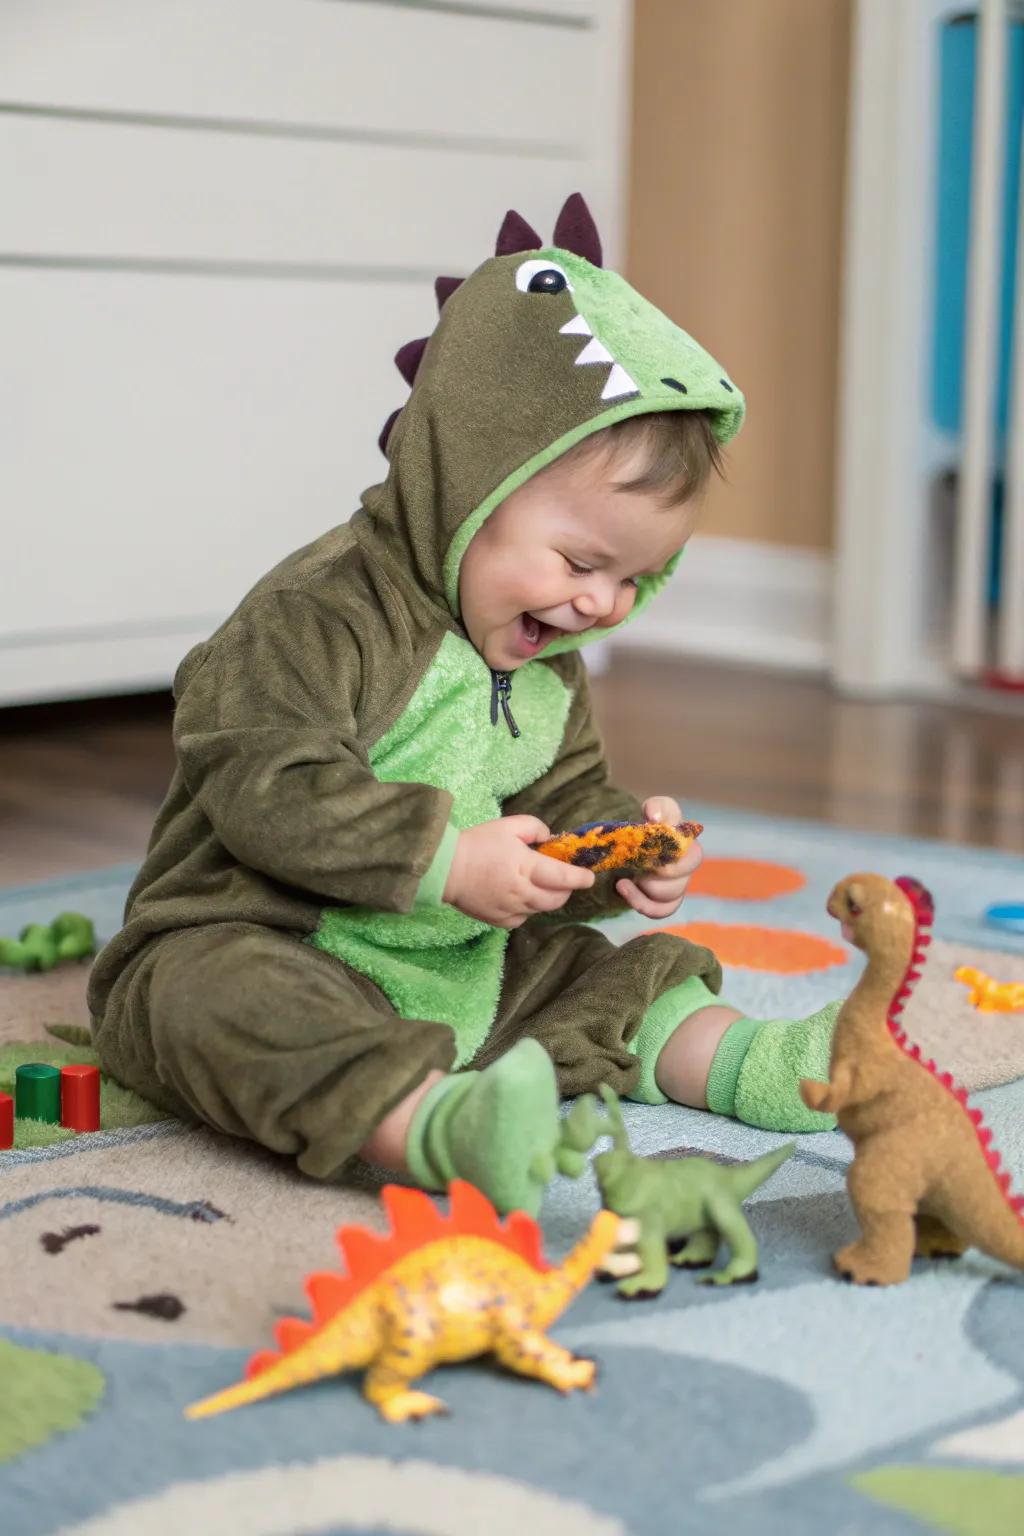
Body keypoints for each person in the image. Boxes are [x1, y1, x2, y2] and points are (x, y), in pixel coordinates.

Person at [88, 195, 838, 1216]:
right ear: (472, 483)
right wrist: (447, 861)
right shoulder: (318, 614)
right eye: (580, 561)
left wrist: (616, 851)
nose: (598, 603)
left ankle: (752, 1062)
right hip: (272, 934)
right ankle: (434, 1126)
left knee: (601, 975)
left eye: (634, 579)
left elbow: (565, 793)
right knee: (211, 1005)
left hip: (460, 960)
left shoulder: (544, 661)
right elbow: (261, 781)